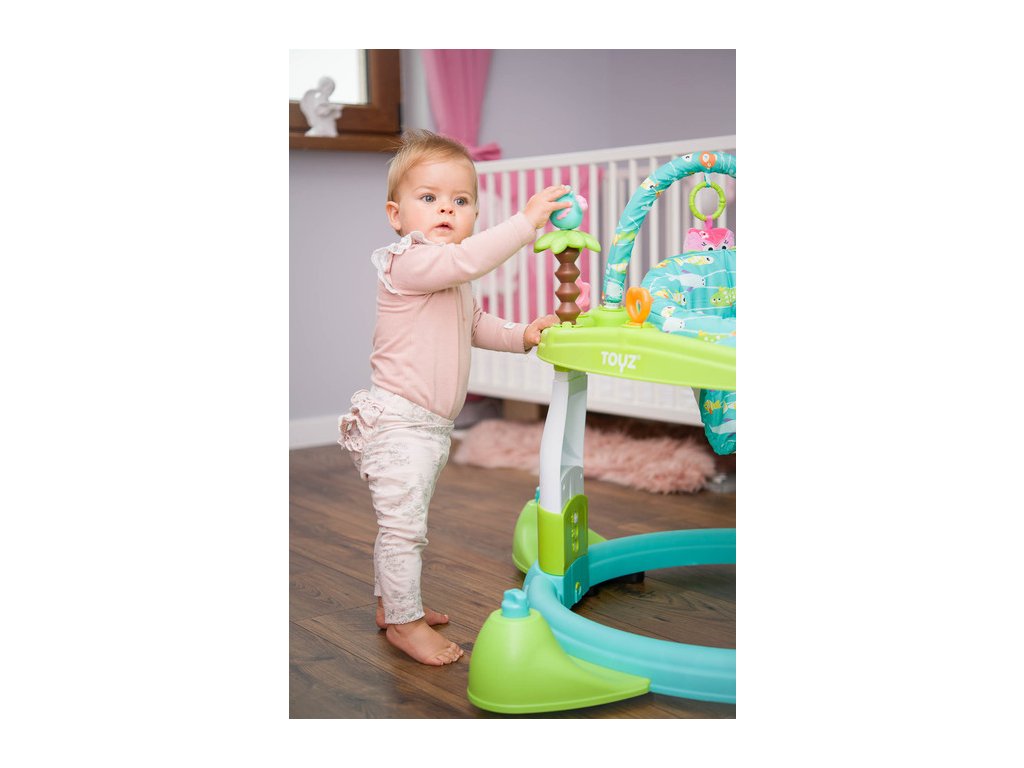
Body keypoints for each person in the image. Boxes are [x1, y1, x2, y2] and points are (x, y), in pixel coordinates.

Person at [338, 129, 570, 666]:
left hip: (429, 427)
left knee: (403, 521)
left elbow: (475, 323)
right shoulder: (407, 263)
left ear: (473, 214)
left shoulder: (451, 277)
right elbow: (468, 261)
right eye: (429, 198)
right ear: (396, 215)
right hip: (397, 424)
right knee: (404, 529)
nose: (446, 209)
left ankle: (392, 605)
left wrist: (522, 335)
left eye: (461, 201)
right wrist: (525, 223)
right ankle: (405, 622)